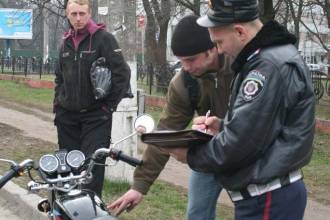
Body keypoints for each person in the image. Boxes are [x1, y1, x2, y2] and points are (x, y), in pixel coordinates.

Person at [164, 1, 316, 220]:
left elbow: (239, 145)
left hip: (267, 200)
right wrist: (223, 125)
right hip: (269, 197)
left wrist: (190, 155)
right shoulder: (272, 56)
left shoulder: (265, 68)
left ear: (240, 32)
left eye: (219, 41)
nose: (219, 49)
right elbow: (265, 128)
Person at [108, 15, 234, 219]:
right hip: (209, 156)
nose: (185, 67)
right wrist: (140, 186)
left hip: (246, 153)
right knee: (196, 214)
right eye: (181, 60)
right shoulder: (184, 83)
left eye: (191, 59)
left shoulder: (241, 67)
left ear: (212, 49)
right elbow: (165, 134)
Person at [53, 0, 131, 198]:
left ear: (89, 13)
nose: (78, 19)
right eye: (73, 14)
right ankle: (69, 211)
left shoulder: (104, 39)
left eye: (82, 13)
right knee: (68, 170)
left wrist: (108, 108)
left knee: (91, 170)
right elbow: (59, 77)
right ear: (67, 15)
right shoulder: (65, 42)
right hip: (67, 118)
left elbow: (122, 74)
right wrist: (58, 106)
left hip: (96, 117)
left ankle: (90, 209)